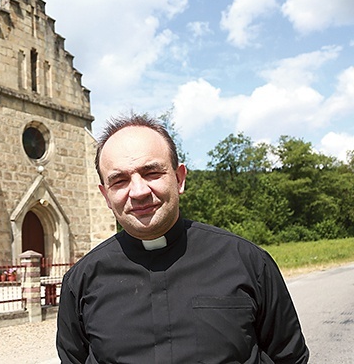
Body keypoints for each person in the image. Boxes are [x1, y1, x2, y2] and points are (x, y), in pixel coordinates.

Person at [56, 113, 309, 363]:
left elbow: (289, 357)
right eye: (119, 180)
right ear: (105, 195)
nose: (139, 191)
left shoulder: (249, 262)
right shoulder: (80, 283)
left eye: (152, 172)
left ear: (179, 178)